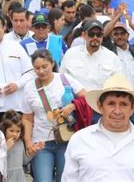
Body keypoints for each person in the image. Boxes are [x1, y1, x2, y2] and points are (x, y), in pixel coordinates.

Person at [62, 74, 134, 181]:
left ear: (133, 107)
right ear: (100, 106)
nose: (117, 111)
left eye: (123, 104)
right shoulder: (80, 140)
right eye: (111, 104)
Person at [22, 49, 86, 182]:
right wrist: (28, 141)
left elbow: (87, 97)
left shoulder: (65, 79)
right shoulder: (29, 87)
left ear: (52, 63)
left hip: (66, 139)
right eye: (37, 68)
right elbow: (27, 118)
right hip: (41, 142)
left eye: (44, 67)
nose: (41, 71)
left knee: (65, 179)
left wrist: (73, 105)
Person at [103, 7, 134, 130]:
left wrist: (131, 24)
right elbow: (103, 35)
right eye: (116, 34)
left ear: (128, 35)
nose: (119, 37)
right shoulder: (109, 51)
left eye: (122, 33)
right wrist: (116, 17)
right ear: (112, 36)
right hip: (119, 101)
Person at [60, 19, 124, 92]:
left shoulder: (112, 57)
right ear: (84, 35)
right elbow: (62, 79)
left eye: (99, 34)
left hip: (102, 101)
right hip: (76, 101)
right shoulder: (70, 54)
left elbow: (118, 84)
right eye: (91, 34)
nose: (95, 37)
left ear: (102, 36)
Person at [0, 110, 39, 182]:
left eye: (18, 131)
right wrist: (6, 148)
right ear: (5, 129)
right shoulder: (1, 142)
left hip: (19, 178)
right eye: (11, 131)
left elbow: (24, 161)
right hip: (6, 177)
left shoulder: (20, 142)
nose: (15, 134)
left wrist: (33, 153)